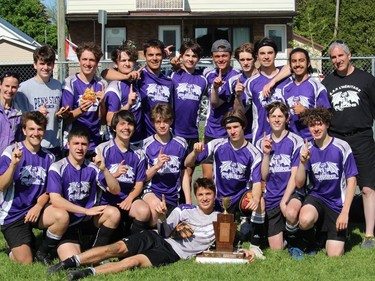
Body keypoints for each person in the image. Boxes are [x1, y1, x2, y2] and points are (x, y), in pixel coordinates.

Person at [46, 178, 257, 280]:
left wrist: (244, 251)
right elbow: (164, 232)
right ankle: (68, 263)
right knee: (117, 249)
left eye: (208, 194)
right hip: (156, 238)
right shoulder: (184, 210)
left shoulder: (221, 219)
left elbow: (231, 242)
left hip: (172, 254)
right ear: (195, 195)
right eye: (200, 194)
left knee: (133, 262)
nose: (204, 198)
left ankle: (84, 273)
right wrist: (165, 218)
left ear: (214, 196)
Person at [185, 109, 265, 258]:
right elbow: (187, 163)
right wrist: (195, 153)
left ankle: (255, 245)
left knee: (260, 201)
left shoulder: (253, 152)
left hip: (239, 197)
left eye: (236, 127)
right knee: (218, 237)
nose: (232, 131)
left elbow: (256, 183)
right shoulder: (216, 145)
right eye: (229, 128)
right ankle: (240, 232)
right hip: (218, 199)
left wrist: (255, 198)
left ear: (243, 127)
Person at [322, 41, 375, 249]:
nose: (337, 61)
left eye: (340, 56)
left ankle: (369, 235)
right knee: (336, 185)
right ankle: (334, 227)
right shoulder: (327, 83)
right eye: (333, 58)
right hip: (337, 138)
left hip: (361, 138)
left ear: (349, 55)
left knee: (368, 188)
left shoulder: (366, 80)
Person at [0, 111, 69, 264]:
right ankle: (13, 250)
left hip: (36, 210)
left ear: (44, 131)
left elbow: (50, 190)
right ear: (24, 130)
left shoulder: (49, 157)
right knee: (25, 261)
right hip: (13, 213)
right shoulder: (11, 152)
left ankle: (42, 251)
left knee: (62, 216)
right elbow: (1, 186)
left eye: (40, 129)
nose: (36, 133)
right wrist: (13, 165)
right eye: (31, 129)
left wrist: (38, 205)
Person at [46, 126, 121, 260]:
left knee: (113, 213)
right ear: (68, 145)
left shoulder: (93, 168)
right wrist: (85, 211)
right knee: (72, 259)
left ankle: (97, 252)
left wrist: (104, 170)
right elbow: (55, 200)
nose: (80, 148)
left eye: (84, 144)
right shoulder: (57, 167)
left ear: (88, 147)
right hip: (67, 221)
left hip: (87, 220)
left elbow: (116, 190)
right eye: (76, 143)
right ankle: (50, 248)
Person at [295, 107, 357, 256]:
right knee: (304, 219)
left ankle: (330, 233)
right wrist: (302, 163)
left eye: (319, 124)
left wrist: (345, 213)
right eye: (312, 125)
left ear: (327, 124)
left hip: (336, 203)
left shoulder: (342, 147)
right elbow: (299, 183)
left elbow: (352, 180)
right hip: (317, 198)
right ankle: (312, 244)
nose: (316, 128)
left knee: (334, 255)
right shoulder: (307, 148)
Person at [255, 102, 303, 249]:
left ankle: (297, 239)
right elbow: (263, 176)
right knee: (276, 250)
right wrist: (266, 154)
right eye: (273, 116)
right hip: (271, 197)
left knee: (291, 212)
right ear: (268, 119)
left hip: (290, 194)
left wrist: (284, 200)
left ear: (287, 119)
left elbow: (295, 176)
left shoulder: (296, 141)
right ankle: (287, 236)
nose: (276, 120)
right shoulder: (260, 143)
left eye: (280, 116)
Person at [96, 110, 151, 235]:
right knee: (113, 215)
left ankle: (132, 243)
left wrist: (129, 199)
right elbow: (99, 181)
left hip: (128, 201)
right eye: (122, 124)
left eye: (130, 124)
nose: (126, 127)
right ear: (114, 127)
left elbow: (138, 184)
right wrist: (114, 174)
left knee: (143, 210)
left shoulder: (139, 153)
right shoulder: (103, 149)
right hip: (107, 202)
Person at [169, 40, 208, 204]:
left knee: (189, 172)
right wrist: (173, 65)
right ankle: (175, 204)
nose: (190, 59)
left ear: (198, 59)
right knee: (174, 172)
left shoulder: (202, 80)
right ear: (181, 56)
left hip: (192, 132)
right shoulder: (174, 76)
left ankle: (187, 205)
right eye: (187, 55)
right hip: (175, 132)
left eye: (194, 56)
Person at [142, 104, 189, 225]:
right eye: (158, 122)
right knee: (155, 216)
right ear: (153, 122)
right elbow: (142, 178)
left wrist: (188, 201)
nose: (162, 125)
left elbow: (184, 174)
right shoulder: (146, 145)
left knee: (175, 228)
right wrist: (157, 166)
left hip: (173, 196)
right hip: (152, 192)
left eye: (165, 121)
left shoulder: (181, 143)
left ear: (171, 121)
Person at [235, 37, 286, 145]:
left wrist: (272, 82)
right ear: (257, 56)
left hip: (285, 138)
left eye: (270, 53)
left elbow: (292, 64)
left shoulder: (286, 78)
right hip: (260, 138)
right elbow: (240, 112)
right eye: (262, 53)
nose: (266, 57)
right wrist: (238, 96)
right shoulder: (251, 82)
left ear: (275, 54)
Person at [202, 39, 241, 179]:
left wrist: (216, 89)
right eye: (217, 56)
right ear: (212, 56)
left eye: (224, 55)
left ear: (230, 56)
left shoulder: (236, 75)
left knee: (229, 174)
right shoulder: (208, 73)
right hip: (212, 129)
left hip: (229, 130)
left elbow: (216, 103)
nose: (221, 59)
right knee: (207, 176)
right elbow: (213, 102)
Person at [15, 44, 63, 155]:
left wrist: (62, 114)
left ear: (53, 65)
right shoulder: (23, 88)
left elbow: (59, 112)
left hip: (53, 144)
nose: (45, 67)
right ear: (35, 65)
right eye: (42, 63)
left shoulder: (58, 86)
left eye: (49, 64)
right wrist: (36, 114)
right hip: (33, 145)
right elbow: (20, 119)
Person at [61, 42, 106, 154]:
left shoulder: (102, 84)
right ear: (79, 61)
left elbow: (103, 120)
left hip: (94, 142)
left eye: (92, 60)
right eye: (84, 59)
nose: (87, 63)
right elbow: (66, 119)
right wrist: (81, 110)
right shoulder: (70, 83)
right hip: (74, 143)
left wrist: (102, 103)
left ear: (97, 62)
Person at [103, 43, 144, 143]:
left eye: (130, 60)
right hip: (118, 143)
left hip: (136, 140)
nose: (127, 63)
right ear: (116, 63)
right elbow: (109, 120)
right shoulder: (115, 87)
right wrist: (128, 105)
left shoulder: (135, 80)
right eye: (123, 60)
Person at [0, 72, 22, 155]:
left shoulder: (18, 112)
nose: (9, 90)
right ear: (0, 85)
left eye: (13, 87)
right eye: (7, 86)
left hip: (9, 159)